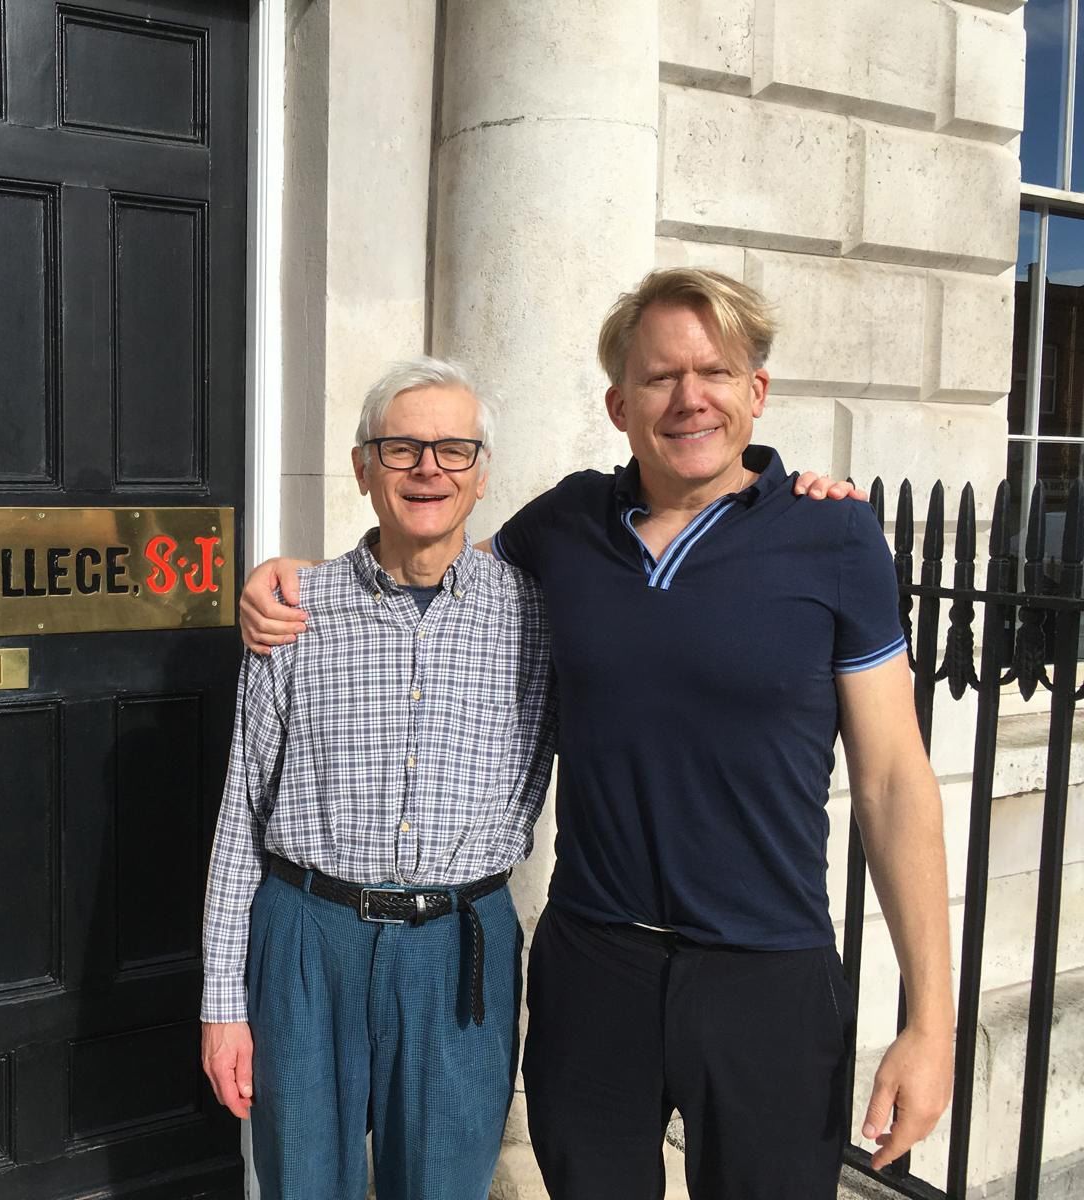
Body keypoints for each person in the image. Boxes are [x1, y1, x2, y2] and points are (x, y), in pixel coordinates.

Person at [238, 268, 954, 1199]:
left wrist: (930, 1023)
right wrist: (299, 583)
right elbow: (434, 574)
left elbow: (897, 782)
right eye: (660, 377)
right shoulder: (570, 523)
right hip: (596, 964)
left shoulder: (836, 538)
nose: (689, 397)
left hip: (767, 975)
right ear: (620, 404)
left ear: (757, 392)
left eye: (716, 372)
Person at [200, 358, 556, 1200]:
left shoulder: (539, 614)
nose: (428, 468)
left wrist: (783, 493)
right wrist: (222, 1003)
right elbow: (240, 812)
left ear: (481, 474)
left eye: (453, 449)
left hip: (457, 945)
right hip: (305, 938)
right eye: (400, 448)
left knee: (441, 1186)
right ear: (363, 469)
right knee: (299, 1184)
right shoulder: (295, 608)